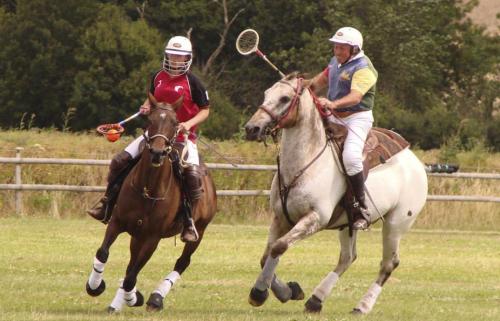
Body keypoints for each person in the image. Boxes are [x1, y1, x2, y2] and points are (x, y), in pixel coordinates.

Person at [87, 35, 210, 242]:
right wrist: (146, 105)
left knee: (192, 175)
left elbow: (205, 110)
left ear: (187, 58)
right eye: (172, 55)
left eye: (179, 57)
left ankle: (188, 221)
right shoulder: (158, 76)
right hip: (155, 135)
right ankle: (107, 204)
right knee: (119, 161)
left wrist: (188, 124)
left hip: (183, 137)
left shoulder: (193, 83)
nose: (175, 59)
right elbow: (153, 96)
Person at [308, 27, 378, 230]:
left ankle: (362, 208)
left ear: (354, 49)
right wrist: (298, 85)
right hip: (334, 115)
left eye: (341, 47)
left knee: (351, 158)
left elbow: (356, 97)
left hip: (357, 118)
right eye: (335, 46)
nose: (336, 50)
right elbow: (316, 83)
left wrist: (333, 104)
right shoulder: (335, 63)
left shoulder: (364, 68)